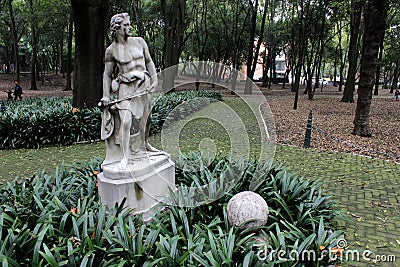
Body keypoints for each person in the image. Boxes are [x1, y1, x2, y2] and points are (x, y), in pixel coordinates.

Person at [100, 13, 158, 169]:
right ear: (117, 29)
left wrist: (155, 79)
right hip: (126, 87)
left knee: (147, 118)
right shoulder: (111, 50)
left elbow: (149, 61)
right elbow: (107, 74)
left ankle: (144, 144)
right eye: (125, 25)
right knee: (125, 121)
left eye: (129, 24)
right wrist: (106, 95)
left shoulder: (139, 42)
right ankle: (125, 156)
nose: (129, 27)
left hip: (143, 85)